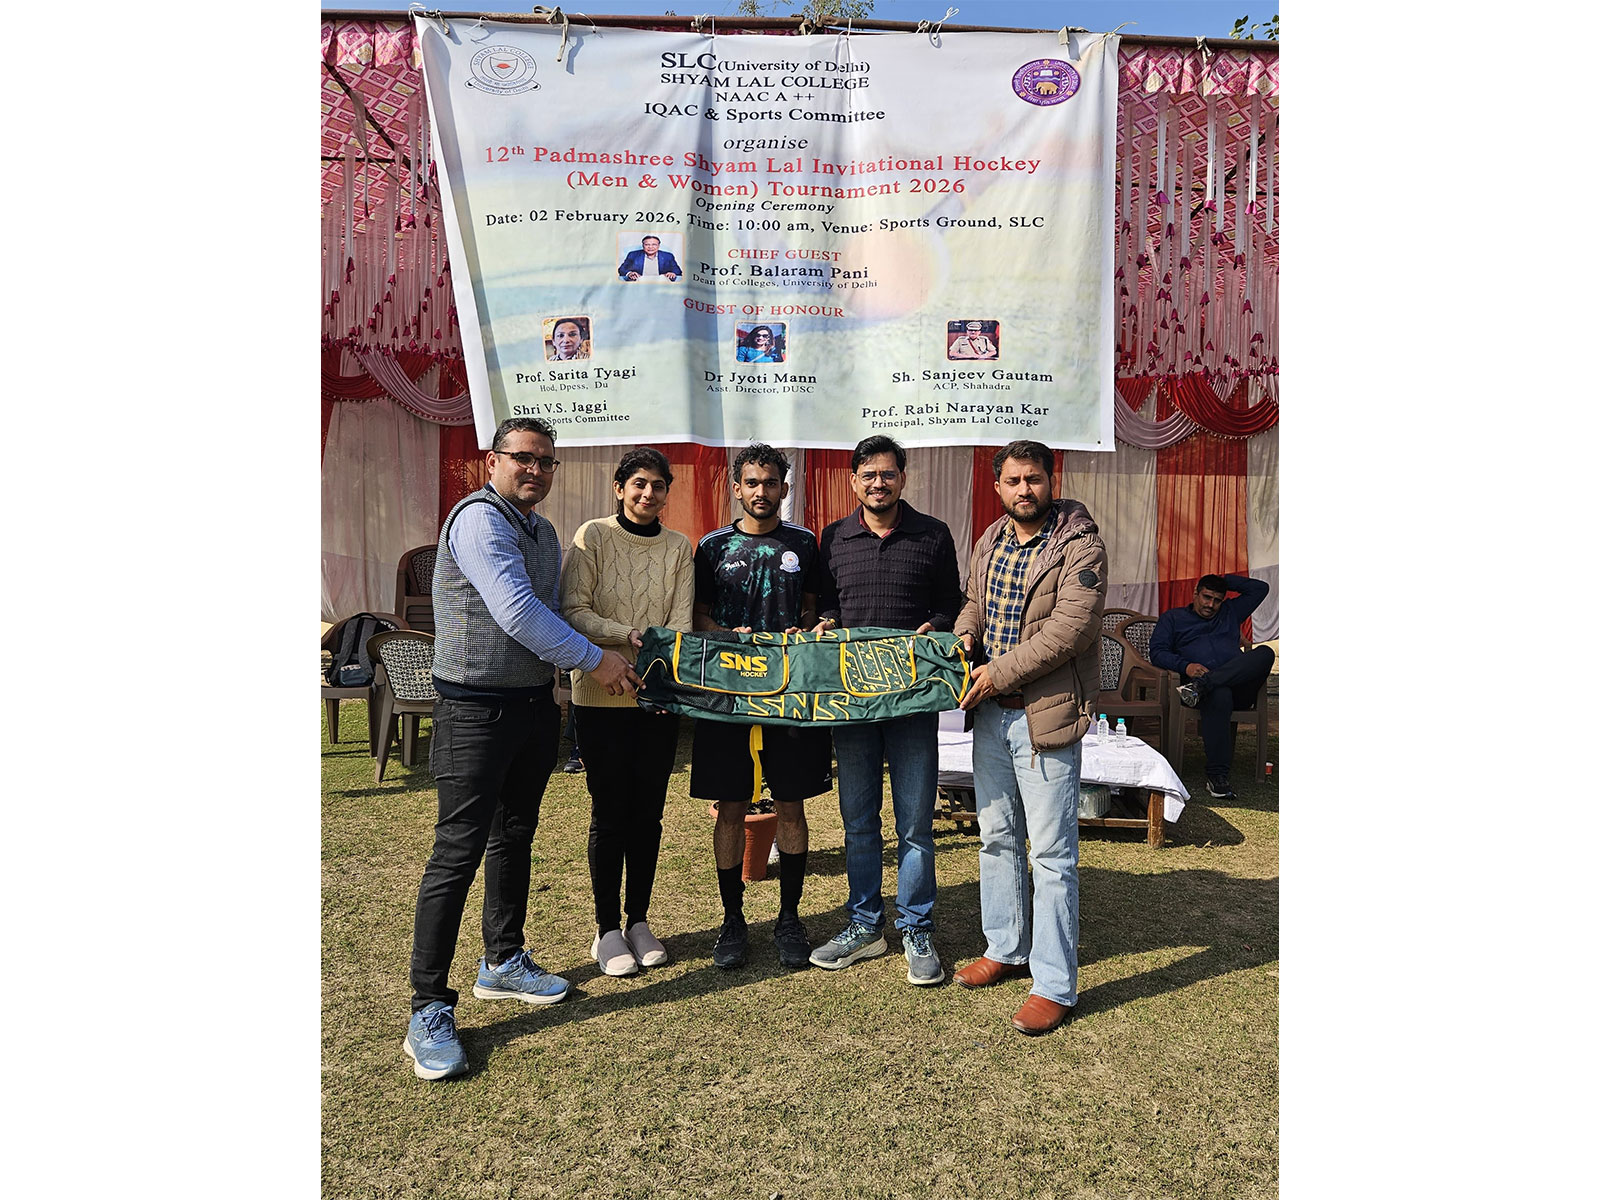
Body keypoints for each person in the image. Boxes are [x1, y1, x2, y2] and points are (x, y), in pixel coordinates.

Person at [403, 417, 641, 1082]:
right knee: (458, 852)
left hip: (533, 706)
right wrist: (596, 661)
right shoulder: (479, 520)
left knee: (513, 836)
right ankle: (428, 1007)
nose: (535, 470)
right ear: (493, 461)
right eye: (523, 458)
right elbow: (515, 612)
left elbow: (551, 614)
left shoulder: (541, 531)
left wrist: (606, 649)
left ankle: (503, 961)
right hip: (474, 710)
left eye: (545, 461)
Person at [952, 440, 1106, 1036]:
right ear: (998, 487)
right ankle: (1006, 947)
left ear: (1051, 480)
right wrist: (966, 637)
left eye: (1033, 479)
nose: (1024, 490)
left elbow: (1070, 631)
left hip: (1046, 716)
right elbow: (974, 603)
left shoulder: (1080, 544)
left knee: (1051, 855)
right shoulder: (990, 538)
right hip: (992, 718)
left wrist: (996, 673)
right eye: (1013, 480)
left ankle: (1054, 984)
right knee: (995, 838)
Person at [807, 436, 962, 986]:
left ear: (903, 478)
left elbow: (951, 605)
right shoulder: (833, 538)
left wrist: (936, 625)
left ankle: (916, 927)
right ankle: (865, 925)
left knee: (915, 824)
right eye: (869, 474)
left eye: (888, 474)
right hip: (853, 701)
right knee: (858, 821)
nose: (879, 483)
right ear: (854, 480)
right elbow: (826, 603)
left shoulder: (933, 534)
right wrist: (825, 622)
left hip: (911, 701)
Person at [558, 448, 695, 977]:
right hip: (600, 694)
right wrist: (626, 635)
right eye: (638, 483)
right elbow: (574, 610)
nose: (647, 493)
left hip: (656, 697)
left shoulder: (679, 547)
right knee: (609, 812)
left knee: (648, 814)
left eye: (658, 485)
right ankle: (606, 929)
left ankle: (639, 919)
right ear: (619, 488)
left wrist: (654, 668)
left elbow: (680, 624)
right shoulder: (591, 536)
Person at [691, 443, 828, 970]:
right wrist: (727, 635)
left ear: (785, 488)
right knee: (730, 808)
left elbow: (815, 611)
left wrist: (812, 628)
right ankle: (732, 919)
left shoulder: (805, 543)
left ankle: (789, 917)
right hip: (728, 695)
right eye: (752, 482)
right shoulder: (712, 547)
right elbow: (698, 616)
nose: (761, 491)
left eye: (771, 482)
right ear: (736, 487)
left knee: (791, 805)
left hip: (790, 695)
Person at [1148, 573, 1274, 800]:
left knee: (1265, 653)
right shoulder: (1173, 618)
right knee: (1220, 693)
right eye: (1206, 597)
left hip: (1235, 689)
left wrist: (1223, 579)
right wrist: (1186, 667)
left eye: (1217, 600)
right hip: (1207, 693)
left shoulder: (1230, 612)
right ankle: (1217, 776)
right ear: (1195, 593)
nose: (1211, 605)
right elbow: (1157, 652)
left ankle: (1204, 684)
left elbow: (1260, 589)